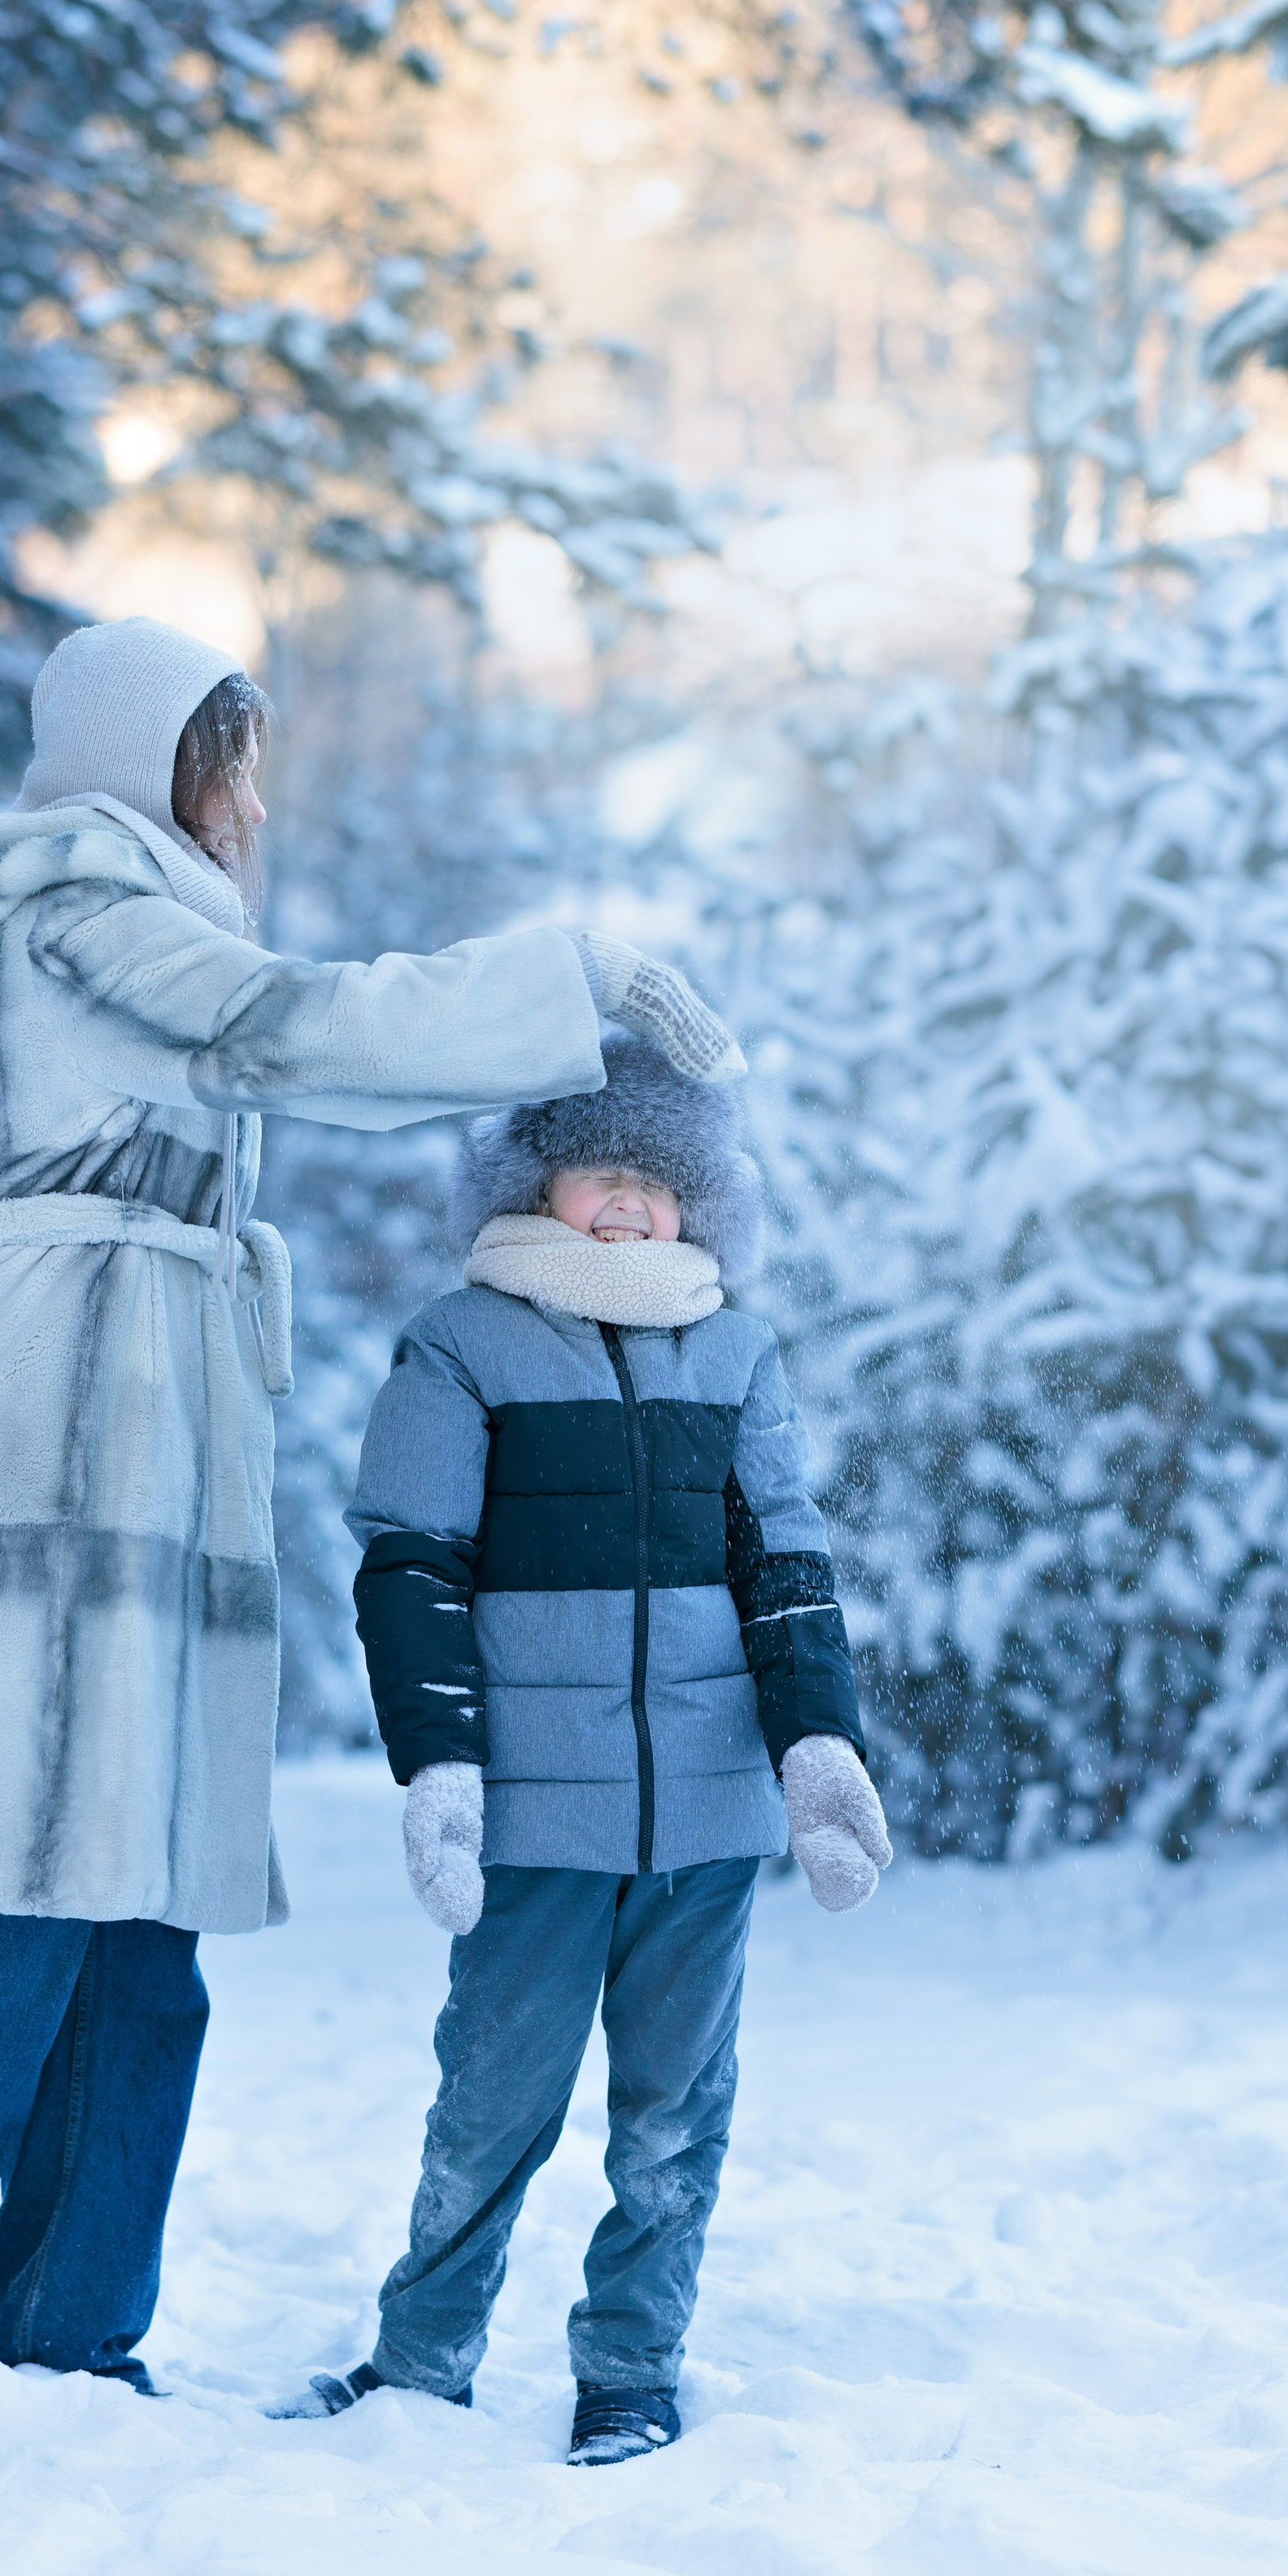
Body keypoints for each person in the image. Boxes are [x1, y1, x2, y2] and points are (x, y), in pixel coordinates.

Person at [0, 617, 742, 2382]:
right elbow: (285, 1032)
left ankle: (66, 2337)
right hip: (56, 1409)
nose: (254, 796)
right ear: (156, 756)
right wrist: (564, 973)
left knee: (134, 1915)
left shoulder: (137, 909)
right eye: (231, 754)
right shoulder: (75, 900)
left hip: (150, 1393)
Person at [272, 1038, 890, 2463]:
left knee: (676, 2118)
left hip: (708, 1816)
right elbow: (412, 1560)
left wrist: (815, 1747)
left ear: (702, 1206)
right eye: (602, 1168)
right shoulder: (464, 1340)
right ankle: (421, 2359)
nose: (629, 1202)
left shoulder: (736, 1352)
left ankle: (632, 2369)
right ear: (533, 1179)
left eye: (661, 1179)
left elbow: (782, 1559)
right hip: (540, 1819)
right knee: (492, 2105)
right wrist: (440, 1763)